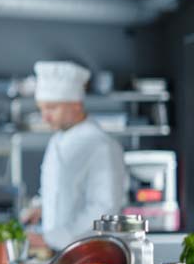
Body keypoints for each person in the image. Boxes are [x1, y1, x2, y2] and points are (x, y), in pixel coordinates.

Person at [24, 62, 125, 250]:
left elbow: (104, 207)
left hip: (89, 253)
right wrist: (41, 208)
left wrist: (52, 239)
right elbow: (60, 190)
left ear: (77, 105)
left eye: (52, 108)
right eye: (42, 109)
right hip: (59, 252)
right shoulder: (57, 140)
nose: (45, 117)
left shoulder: (102, 145)